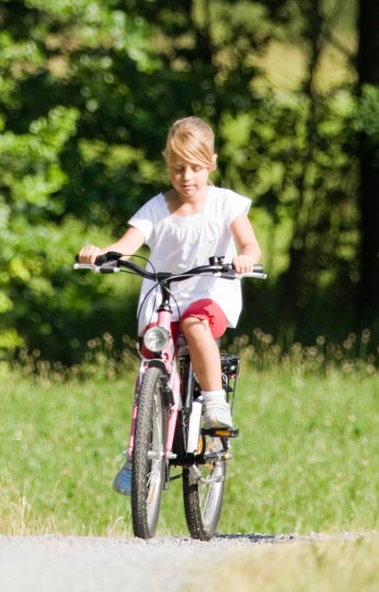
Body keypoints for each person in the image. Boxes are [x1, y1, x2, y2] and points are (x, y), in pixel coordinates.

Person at [76, 116, 262, 495]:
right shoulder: (157, 208)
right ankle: (136, 453)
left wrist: (245, 258)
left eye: (195, 167)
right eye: (178, 168)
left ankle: (213, 402)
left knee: (196, 325)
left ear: (211, 162)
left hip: (211, 293)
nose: (187, 176)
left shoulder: (227, 204)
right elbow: (127, 243)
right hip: (165, 298)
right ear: (167, 166)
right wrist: (102, 254)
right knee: (150, 364)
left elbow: (251, 245)